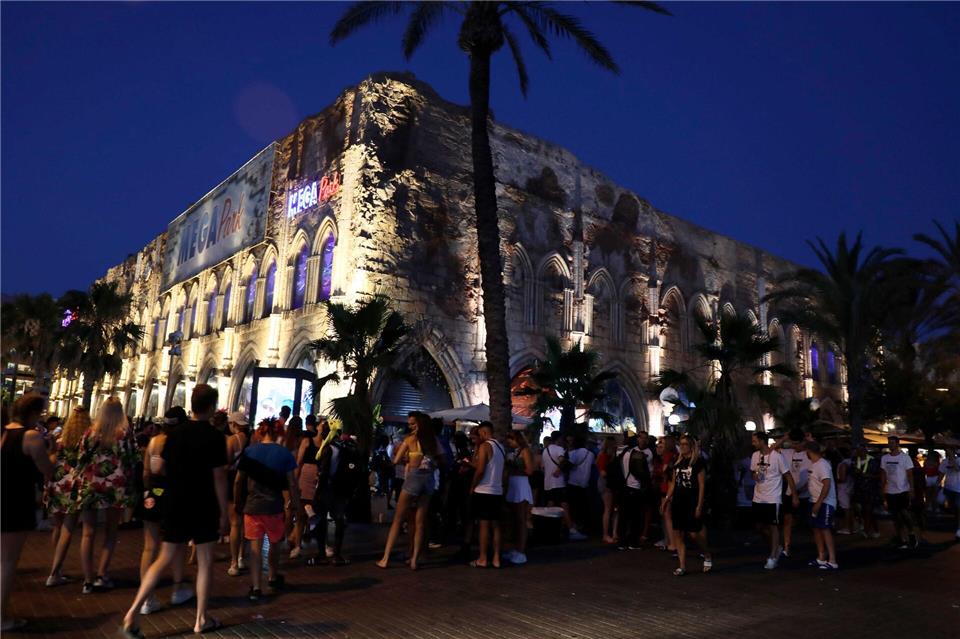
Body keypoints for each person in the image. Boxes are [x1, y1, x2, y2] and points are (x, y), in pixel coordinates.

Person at [122, 384, 229, 636]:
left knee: (164, 557)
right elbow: (219, 478)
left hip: (176, 502)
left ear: (192, 404)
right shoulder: (215, 437)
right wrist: (224, 512)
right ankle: (201, 619)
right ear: (212, 407)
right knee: (204, 561)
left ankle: (133, 611)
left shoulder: (174, 435)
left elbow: (161, 468)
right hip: (204, 504)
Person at [74, 397, 139, 594]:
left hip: (91, 485)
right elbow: (133, 460)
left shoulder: (90, 432)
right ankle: (102, 574)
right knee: (111, 532)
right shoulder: (125, 434)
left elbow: (80, 457)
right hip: (115, 486)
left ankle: (87, 579)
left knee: (88, 532)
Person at [2, 393, 54, 631]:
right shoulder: (30, 436)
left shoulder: (3, 432)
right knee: (7, 562)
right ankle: (1, 618)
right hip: (15, 503)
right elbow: (47, 469)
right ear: (33, 413)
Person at [136, 408, 193, 615]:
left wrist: (148, 492)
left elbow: (146, 472)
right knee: (176, 544)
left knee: (149, 547)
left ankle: (147, 599)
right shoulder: (181, 442)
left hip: (152, 494)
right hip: (174, 496)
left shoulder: (153, 442)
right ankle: (178, 589)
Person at [236, 418, 299, 601]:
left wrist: (239, 501)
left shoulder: (249, 452)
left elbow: (239, 480)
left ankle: (256, 587)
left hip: (253, 506)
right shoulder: (284, 454)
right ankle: (272, 575)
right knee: (274, 543)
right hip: (274, 506)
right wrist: (295, 505)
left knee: (254, 548)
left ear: (261, 432)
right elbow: (292, 484)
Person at [377, 412, 442, 569]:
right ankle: (414, 560)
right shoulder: (434, 441)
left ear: (420, 424)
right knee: (420, 522)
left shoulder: (410, 440)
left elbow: (396, 460)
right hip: (428, 481)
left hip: (413, 479)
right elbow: (441, 460)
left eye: (413, 423)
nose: (410, 426)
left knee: (398, 520)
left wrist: (406, 458)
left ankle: (385, 558)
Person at [44, 406, 90, 587]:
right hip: (73, 486)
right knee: (68, 528)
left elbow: (53, 459)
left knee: (57, 526)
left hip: (57, 483)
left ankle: (57, 566)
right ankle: (55, 572)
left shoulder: (61, 439)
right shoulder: (86, 440)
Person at [311, 429, 364, 567]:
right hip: (342, 490)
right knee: (339, 519)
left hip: (328, 488)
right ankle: (337, 555)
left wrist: (318, 491)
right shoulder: (353, 448)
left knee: (322, 519)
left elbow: (324, 471)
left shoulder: (331, 448)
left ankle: (322, 554)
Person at [662, 435, 711, 575]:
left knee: (694, 534)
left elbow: (702, 485)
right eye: (681, 444)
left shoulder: (698, 462)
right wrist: (666, 499)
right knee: (678, 534)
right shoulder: (678, 463)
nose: (682, 447)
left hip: (692, 501)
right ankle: (682, 566)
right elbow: (673, 484)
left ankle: (707, 554)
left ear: (691, 446)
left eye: (685, 444)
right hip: (678, 501)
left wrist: (699, 505)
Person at [750, 432, 797, 570]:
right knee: (759, 527)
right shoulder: (755, 456)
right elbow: (753, 472)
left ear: (762, 441)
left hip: (773, 497)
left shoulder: (777, 457)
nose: (753, 443)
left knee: (773, 526)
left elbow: (788, 476)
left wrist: (794, 495)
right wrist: (755, 476)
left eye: (754, 441)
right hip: (758, 497)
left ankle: (773, 556)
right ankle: (775, 546)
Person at [470, 421, 505, 568]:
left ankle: (483, 558)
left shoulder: (485, 446)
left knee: (483, 526)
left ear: (483, 432)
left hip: (484, 490)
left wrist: (472, 486)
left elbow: (480, 469)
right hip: (497, 490)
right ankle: (496, 558)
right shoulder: (501, 447)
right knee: (496, 526)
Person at [291, 416, 325, 559]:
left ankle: (305, 540)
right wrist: (295, 480)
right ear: (317, 427)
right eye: (322, 425)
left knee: (315, 510)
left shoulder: (326, 445)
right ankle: (297, 544)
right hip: (305, 477)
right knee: (301, 513)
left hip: (317, 479)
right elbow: (299, 462)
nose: (324, 428)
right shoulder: (307, 441)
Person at [777, 429, 812, 559]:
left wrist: (810, 440)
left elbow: (821, 451)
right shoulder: (787, 452)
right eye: (793, 443)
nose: (795, 446)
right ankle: (787, 547)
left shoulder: (808, 453)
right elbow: (770, 450)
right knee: (787, 520)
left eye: (798, 443)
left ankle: (819, 547)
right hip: (790, 492)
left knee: (811, 522)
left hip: (806, 493)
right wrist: (783, 438)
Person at [616, 433, 652, 550]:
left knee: (623, 516)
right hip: (635, 487)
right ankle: (633, 542)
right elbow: (640, 472)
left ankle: (622, 542)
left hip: (623, 487)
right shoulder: (637, 455)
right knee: (636, 517)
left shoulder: (622, 453)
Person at [225, 411, 250, 575]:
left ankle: (233, 562)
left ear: (234, 424)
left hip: (233, 480)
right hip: (248, 481)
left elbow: (226, 463)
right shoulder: (252, 440)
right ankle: (241, 557)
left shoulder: (232, 440)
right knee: (245, 523)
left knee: (234, 523)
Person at [880, 436, 917, 549]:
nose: (890, 445)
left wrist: (911, 489)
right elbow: (883, 474)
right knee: (895, 515)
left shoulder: (905, 458)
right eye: (889, 443)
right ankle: (901, 538)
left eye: (892, 443)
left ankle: (911, 533)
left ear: (897, 444)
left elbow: (910, 474)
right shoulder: (885, 458)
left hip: (903, 489)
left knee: (904, 512)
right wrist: (882, 489)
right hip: (890, 490)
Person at [504, 430, 534, 565]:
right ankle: (516, 548)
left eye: (511, 440)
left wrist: (514, 467)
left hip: (520, 484)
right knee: (514, 519)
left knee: (521, 519)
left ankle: (521, 550)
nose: (509, 443)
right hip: (512, 483)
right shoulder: (513, 452)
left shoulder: (525, 451)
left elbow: (530, 470)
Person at [541, 432, 575, 535]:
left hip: (548, 482)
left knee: (551, 504)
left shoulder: (545, 451)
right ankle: (571, 529)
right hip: (558, 482)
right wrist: (559, 470)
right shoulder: (559, 449)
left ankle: (546, 527)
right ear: (559, 439)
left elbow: (542, 467)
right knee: (564, 505)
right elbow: (562, 460)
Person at [565, 435, 594, 539]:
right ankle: (582, 526)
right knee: (582, 506)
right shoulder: (591, 454)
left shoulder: (574, 453)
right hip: (584, 484)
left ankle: (574, 527)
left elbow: (569, 465)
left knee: (573, 507)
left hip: (573, 482)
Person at [851, 445, 881, 538]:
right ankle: (874, 529)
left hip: (870, 489)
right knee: (863, 511)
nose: (859, 453)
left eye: (861, 451)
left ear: (865, 451)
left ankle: (867, 531)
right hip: (859, 489)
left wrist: (866, 475)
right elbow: (853, 475)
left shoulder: (873, 461)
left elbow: (879, 475)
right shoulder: (855, 461)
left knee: (868, 510)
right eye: (858, 451)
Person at [653, 436, 677, 551]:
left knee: (667, 516)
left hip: (667, 489)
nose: (659, 447)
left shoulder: (668, 456)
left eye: (662, 444)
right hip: (665, 488)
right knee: (665, 515)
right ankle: (669, 540)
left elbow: (664, 471)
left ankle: (672, 543)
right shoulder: (672, 455)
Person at [596, 436, 620, 544]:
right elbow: (603, 473)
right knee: (609, 509)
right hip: (607, 484)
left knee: (613, 509)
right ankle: (606, 534)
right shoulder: (605, 457)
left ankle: (613, 533)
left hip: (611, 483)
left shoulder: (609, 456)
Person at [939, 447, 960, 540]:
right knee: (951, 507)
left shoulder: (959, 460)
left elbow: (957, 468)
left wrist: (952, 456)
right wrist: (937, 483)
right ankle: (957, 522)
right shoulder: (945, 462)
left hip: (959, 489)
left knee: (959, 508)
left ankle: (959, 529)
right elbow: (941, 473)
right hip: (948, 488)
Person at [835, 449, 855, 535]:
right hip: (850, 487)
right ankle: (852, 527)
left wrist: (834, 481)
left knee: (846, 509)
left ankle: (847, 527)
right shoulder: (852, 462)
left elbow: (842, 479)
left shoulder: (843, 464)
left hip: (843, 489)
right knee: (850, 509)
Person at [922, 451, 942, 515]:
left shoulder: (927, 462)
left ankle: (931, 507)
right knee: (934, 494)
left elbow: (924, 470)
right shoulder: (937, 462)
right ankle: (935, 508)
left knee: (930, 494)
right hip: (933, 477)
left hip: (931, 477)